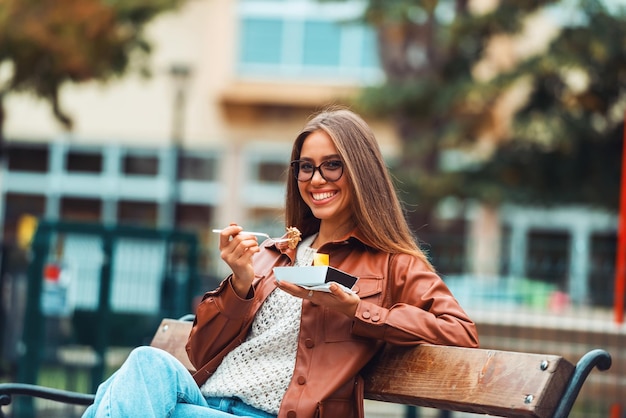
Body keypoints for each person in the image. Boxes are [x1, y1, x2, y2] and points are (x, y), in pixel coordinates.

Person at [82, 107, 479, 418]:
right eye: (306, 167)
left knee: (114, 396)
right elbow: (201, 354)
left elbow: (462, 334)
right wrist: (239, 283)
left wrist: (358, 311)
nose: (316, 178)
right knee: (144, 366)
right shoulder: (274, 253)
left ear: (361, 172)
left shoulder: (395, 264)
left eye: (332, 164)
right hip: (205, 404)